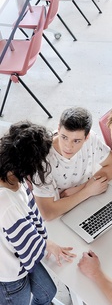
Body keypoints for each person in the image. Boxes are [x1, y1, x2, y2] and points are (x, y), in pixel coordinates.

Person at [0, 121, 76, 305]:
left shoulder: (14, 176)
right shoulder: (6, 204)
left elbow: (30, 220)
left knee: (48, 292)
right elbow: (28, 247)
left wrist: (46, 242)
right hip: (10, 275)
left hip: (21, 255)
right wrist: (47, 245)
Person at [33, 107, 112, 221]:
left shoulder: (91, 139)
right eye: (64, 137)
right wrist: (87, 191)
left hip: (89, 200)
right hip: (61, 215)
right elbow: (48, 213)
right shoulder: (43, 160)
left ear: (86, 137)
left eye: (76, 141)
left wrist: (81, 188)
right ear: (59, 129)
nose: (68, 146)